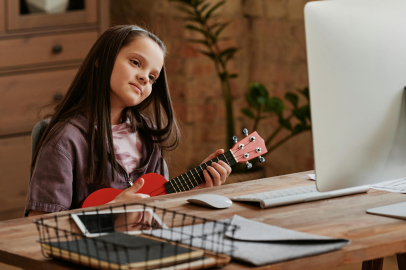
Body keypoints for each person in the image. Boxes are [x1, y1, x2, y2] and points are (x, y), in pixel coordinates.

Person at [26, 25, 232, 217]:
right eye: (135, 63)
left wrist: (194, 190)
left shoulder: (148, 135)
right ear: (101, 59)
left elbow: (160, 208)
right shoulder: (65, 140)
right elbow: (38, 225)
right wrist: (108, 212)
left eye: (152, 77)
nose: (144, 78)